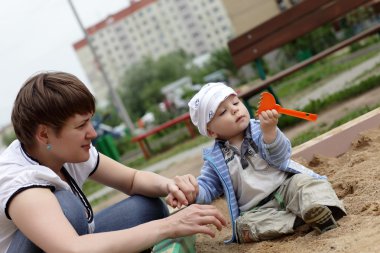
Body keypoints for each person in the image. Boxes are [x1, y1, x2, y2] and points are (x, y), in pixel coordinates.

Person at [0, 72, 227, 253]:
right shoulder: (21, 181)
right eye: (81, 126)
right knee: (66, 206)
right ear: (44, 135)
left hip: (70, 244)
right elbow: (71, 248)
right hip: (66, 247)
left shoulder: (62, 151)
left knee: (147, 207)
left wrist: (170, 186)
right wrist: (170, 226)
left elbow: (132, 180)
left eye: (89, 122)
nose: (92, 133)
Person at [166, 82, 346, 243]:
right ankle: (300, 219)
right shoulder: (215, 159)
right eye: (223, 112)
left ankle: (321, 208)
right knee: (244, 226)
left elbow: (281, 155)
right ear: (211, 131)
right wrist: (193, 192)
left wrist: (270, 132)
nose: (235, 110)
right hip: (257, 209)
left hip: (286, 186)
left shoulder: (260, 129)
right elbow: (208, 188)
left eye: (236, 103)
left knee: (306, 184)